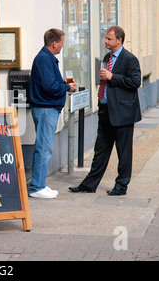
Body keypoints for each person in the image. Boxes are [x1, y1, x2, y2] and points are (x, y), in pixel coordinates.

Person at [69, 26, 141, 196]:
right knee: (100, 150)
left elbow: (135, 81)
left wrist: (112, 77)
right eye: (105, 38)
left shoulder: (130, 59)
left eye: (109, 39)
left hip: (123, 113)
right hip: (106, 110)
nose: (106, 41)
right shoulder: (107, 57)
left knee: (123, 153)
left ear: (119, 40)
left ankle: (121, 186)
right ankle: (89, 184)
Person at [29, 28, 77, 199]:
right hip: (45, 109)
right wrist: (67, 87)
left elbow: (49, 83)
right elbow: (49, 87)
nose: (63, 46)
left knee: (45, 147)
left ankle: (40, 184)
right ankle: (36, 187)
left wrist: (62, 84)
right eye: (62, 42)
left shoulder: (46, 58)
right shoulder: (44, 59)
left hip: (47, 108)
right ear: (54, 43)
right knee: (44, 148)